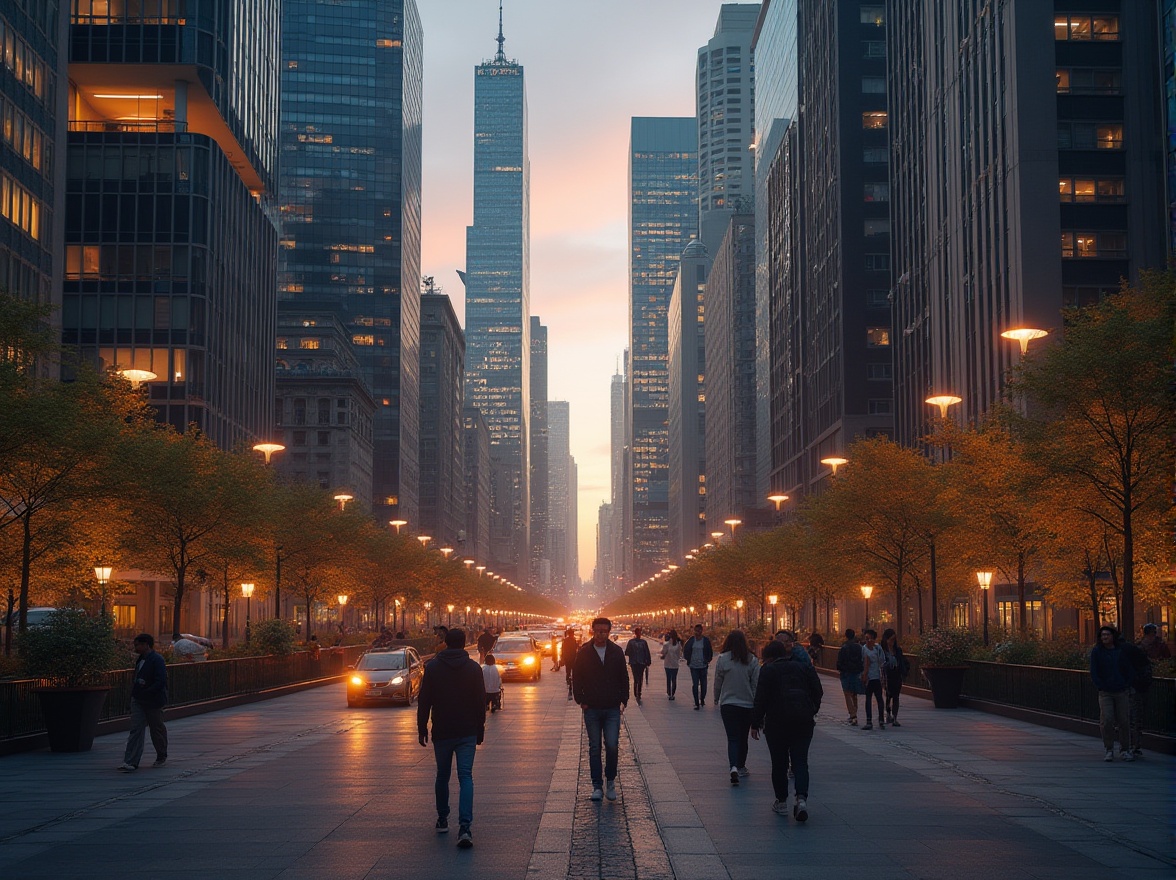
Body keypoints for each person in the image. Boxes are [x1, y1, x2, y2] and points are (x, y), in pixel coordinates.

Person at [418, 627, 486, 847]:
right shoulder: (474, 669)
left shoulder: (433, 668)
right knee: (466, 777)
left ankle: (442, 819)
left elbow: (424, 701)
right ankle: (465, 827)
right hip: (467, 730)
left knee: (442, 775)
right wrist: (480, 729)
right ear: (464, 642)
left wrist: (422, 728)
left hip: (443, 730)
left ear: (445, 642)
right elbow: (480, 702)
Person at [751, 635, 823, 822]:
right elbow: (818, 690)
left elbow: (761, 699)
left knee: (779, 763)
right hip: (803, 721)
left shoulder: (768, 670)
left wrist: (755, 723)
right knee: (800, 761)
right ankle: (801, 799)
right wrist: (811, 709)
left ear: (769, 657)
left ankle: (781, 801)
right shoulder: (803, 666)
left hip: (777, 722)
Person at [572, 617, 630, 802]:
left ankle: (610, 780)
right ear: (592, 631)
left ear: (609, 632)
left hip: (612, 707)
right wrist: (581, 700)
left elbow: (624, 677)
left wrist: (624, 700)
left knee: (612, 745)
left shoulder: (616, 652)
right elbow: (577, 677)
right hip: (592, 708)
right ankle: (597, 785)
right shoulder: (584, 652)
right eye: (598, 631)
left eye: (604, 631)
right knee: (594, 746)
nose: (601, 634)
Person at [714, 628, 761, 785]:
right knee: (743, 738)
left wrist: (716, 698)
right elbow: (756, 684)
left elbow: (718, 681)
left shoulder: (722, 659)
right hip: (747, 704)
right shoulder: (752, 660)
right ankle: (741, 766)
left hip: (728, 704)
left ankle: (733, 766)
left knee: (732, 738)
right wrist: (756, 704)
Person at [118, 634, 168, 772]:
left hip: (153, 701)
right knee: (136, 730)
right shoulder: (141, 660)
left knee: (156, 728)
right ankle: (131, 761)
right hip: (139, 700)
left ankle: (161, 755)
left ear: (146, 644)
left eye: (137, 645)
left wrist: (147, 691)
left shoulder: (156, 660)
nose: (135, 648)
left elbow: (161, 681)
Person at [1089, 625, 1134, 762]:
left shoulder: (1121, 651)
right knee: (1107, 720)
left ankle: (1125, 749)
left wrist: (1127, 683)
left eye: (1107, 635)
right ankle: (1109, 749)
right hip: (1105, 692)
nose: (1105, 637)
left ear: (1113, 636)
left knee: (1124, 720)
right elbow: (1094, 670)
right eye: (1103, 635)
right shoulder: (1097, 651)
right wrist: (1100, 685)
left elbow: (1129, 668)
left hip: (1121, 690)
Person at [1121, 637, 1152, 758]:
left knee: (1127, 718)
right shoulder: (1136, 652)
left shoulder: (1121, 652)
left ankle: (1129, 745)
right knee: (1136, 718)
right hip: (1138, 688)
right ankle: (1135, 745)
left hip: (1130, 688)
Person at [880, 628, 909, 727]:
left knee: (896, 696)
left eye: (894, 639)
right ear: (886, 639)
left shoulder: (897, 650)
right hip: (887, 676)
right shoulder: (882, 650)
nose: (892, 642)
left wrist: (903, 672)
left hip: (897, 675)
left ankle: (895, 717)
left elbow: (902, 661)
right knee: (888, 695)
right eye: (890, 639)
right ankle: (888, 714)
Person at [835, 628, 864, 725]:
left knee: (847, 693)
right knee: (854, 693)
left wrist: (840, 668)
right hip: (856, 672)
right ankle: (854, 712)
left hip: (846, 672)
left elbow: (840, 661)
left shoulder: (844, 647)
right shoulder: (859, 647)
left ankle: (852, 714)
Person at [683, 623, 714, 710]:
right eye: (696, 630)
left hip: (703, 666)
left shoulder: (705, 641)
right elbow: (686, 650)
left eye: (699, 630)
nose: (697, 632)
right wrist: (688, 660)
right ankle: (696, 702)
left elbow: (709, 651)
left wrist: (707, 660)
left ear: (702, 631)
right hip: (694, 666)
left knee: (704, 684)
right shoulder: (691, 641)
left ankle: (702, 698)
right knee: (695, 684)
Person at [860, 629, 886, 730]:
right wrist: (864, 675)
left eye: (870, 638)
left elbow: (882, 661)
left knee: (879, 698)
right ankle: (869, 720)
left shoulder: (878, 648)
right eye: (866, 639)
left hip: (877, 676)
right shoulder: (864, 649)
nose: (868, 641)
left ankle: (881, 720)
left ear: (874, 639)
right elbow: (864, 662)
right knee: (868, 699)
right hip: (868, 677)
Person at [624, 626, 653, 704]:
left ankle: (635, 692)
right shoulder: (643, 642)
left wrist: (632, 653)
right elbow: (647, 652)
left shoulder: (631, 642)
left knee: (635, 678)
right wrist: (648, 661)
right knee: (640, 678)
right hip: (641, 662)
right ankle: (638, 693)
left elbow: (626, 652)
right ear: (640, 633)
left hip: (634, 662)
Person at [660, 628, 683, 700]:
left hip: (668, 664)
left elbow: (663, 652)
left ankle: (670, 693)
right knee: (673, 679)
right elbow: (679, 655)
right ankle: (671, 693)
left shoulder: (667, 644)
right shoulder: (678, 645)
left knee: (670, 679)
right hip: (674, 664)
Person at [560, 626, 580, 700]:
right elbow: (576, 649)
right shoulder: (573, 640)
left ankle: (568, 680)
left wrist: (562, 657)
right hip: (573, 658)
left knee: (568, 670)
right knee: (573, 670)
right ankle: (571, 680)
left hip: (568, 658)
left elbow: (563, 649)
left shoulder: (565, 640)